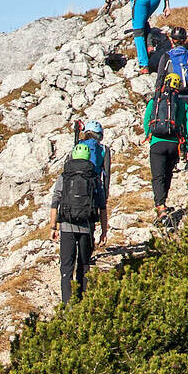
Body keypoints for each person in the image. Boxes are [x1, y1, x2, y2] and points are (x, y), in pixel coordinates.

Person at [48, 122, 111, 303]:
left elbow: (55, 200)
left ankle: (67, 305)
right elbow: (102, 207)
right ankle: (82, 302)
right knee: (83, 265)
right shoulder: (94, 178)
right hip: (86, 226)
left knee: (66, 268)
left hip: (67, 226)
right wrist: (104, 231)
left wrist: (53, 226)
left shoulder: (64, 176)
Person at [142, 72, 188, 224]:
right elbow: (187, 126)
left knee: (157, 177)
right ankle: (163, 203)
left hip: (157, 143)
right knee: (167, 174)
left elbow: (147, 120)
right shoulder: (183, 104)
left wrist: (149, 135)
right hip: (174, 145)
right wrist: (187, 147)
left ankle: (160, 207)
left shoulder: (155, 101)